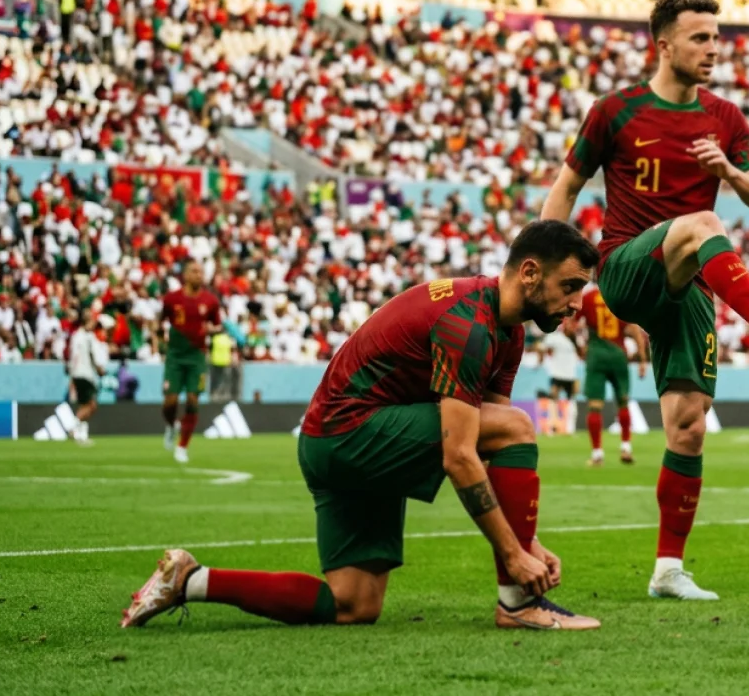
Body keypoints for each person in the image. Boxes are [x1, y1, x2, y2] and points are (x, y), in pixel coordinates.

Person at [122, 220, 603, 632]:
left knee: (353, 605)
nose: (577, 303)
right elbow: (461, 453)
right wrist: (515, 558)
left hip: (336, 441)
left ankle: (190, 580)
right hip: (349, 435)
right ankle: (518, 604)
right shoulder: (469, 324)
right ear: (530, 272)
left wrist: (526, 540)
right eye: (570, 286)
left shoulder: (508, 332)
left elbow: (488, 445)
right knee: (518, 425)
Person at [542, 0, 749, 602]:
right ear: (664, 45)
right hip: (625, 267)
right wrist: (543, 275)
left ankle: (668, 570)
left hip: (689, 283)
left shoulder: (725, 117)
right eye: (700, 38)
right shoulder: (615, 111)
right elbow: (566, 188)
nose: (713, 49)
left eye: (717, 38)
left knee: (688, 425)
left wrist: (729, 172)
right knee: (703, 224)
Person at [159, 260, 222, 464]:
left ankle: (182, 446)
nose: (199, 275)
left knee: (193, 399)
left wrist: (211, 330)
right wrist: (160, 340)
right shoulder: (172, 299)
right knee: (170, 401)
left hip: (197, 357)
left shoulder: (210, 300)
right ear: (185, 275)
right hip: (175, 356)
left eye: (201, 272)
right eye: (194, 271)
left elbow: (218, 325)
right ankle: (171, 426)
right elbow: (161, 321)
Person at [579, 283, 647, 466]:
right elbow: (634, 329)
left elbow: (571, 326)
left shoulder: (588, 296)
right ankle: (626, 448)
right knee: (623, 401)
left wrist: (580, 347)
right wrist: (642, 359)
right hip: (618, 354)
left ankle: (597, 454)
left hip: (596, 353)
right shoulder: (620, 293)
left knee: (594, 406)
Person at [66, 307, 107, 446]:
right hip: (85, 374)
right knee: (91, 405)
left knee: (85, 404)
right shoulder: (87, 337)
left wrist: (72, 374)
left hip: (78, 374)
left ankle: (82, 435)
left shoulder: (77, 336)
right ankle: (73, 427)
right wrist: (100, 369)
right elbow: (92, 356)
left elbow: (72, 356)